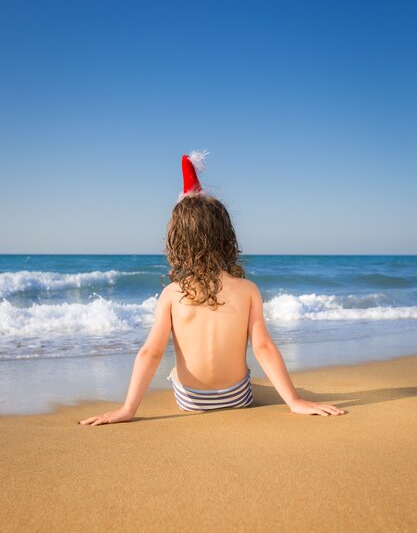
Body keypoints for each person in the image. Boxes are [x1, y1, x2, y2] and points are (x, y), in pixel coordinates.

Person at [80, 152, 345, 426]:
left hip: (190, 401)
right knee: (248, 372)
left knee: (174, 370)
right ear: (226, 237)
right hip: (238, 397)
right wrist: (295, 401)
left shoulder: (172, 294)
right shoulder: (247, 290)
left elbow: (151, 352)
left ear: (178, 242)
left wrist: (128, 409)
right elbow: (263, 347)